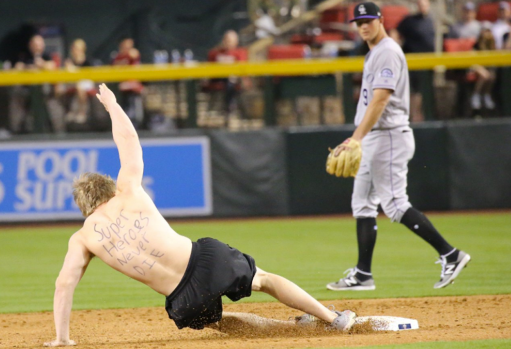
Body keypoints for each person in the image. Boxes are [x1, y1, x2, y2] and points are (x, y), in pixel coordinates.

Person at [43, 84, 357, 347]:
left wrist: (62, 338)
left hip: (182, 298)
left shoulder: (83, 237)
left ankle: (291, 329)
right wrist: (112, 106)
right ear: (108, 189)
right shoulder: (127, 191)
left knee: (218, 323)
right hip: (203, 260)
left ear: (84, 206)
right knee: (264, 280)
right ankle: (332, 320)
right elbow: (129, 140)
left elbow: (63, 283)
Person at [325, 2, 471, 292]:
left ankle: (451, 255)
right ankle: (362, 274)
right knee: (363, 204)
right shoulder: (374, 53)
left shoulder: (388, 51)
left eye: (369, 20)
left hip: (389, 135)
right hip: (374, 137)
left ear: (380, 20)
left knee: (394, 203)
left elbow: (380, 100)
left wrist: (355, 138)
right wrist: (359, 138)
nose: (364, 26)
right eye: (359, 22)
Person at [394, 0, 435, 122]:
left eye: (425, 5)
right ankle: (414, 117)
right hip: (413, 62)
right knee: (415, 91)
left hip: (428, 62)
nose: (423, 7)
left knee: (426, 90)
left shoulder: (430, 20)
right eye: (420, 5)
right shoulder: (410, 20)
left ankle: (424, 116)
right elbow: (395, 32)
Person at [112, 38, 144, 127]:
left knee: (135, 113)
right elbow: (115, 69)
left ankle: (137, 125)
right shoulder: (117, 56)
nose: (128, 47)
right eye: (126, 45)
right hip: (121, 89)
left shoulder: (133, 55)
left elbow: (135, 58)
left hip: (134, 88)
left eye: (130, 45)